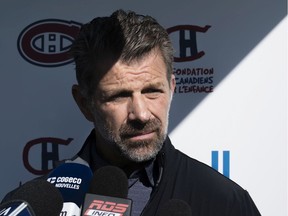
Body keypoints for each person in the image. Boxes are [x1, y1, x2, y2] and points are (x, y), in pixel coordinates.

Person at [3, 9, 261, 216]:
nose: (141, 113)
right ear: (84, 103)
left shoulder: (224, 201)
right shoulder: (32, 206)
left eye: (152, 91)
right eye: (119, 95)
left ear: (171, 88)